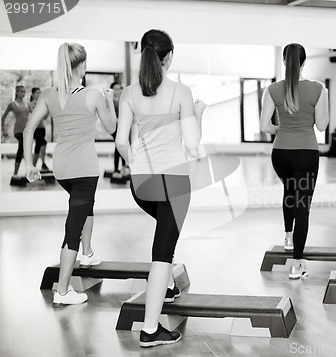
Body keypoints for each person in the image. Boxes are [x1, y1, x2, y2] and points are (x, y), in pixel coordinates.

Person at [115, 29, 204, 348]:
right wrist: (200, 112)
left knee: (165, 239)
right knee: (162, 253)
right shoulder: (181, 92)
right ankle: (150, 329)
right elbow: (193, 145)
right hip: (174, 184)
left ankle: (165, 286)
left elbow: (120, 141)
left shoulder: (128, 93)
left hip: (141, 185)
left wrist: (136, 162)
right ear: (168, 57)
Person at [23, 42, 117, 307]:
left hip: (62, 168)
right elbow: (112, 127)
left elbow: (29, 130)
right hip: (85, 169)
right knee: (73, 226)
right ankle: (63, 291)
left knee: (85, 207)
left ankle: (87, 253)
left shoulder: (49, 95)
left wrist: (31, 165)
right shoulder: (94, 96)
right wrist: (109, 101)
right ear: (83, 66)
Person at [260, 43, 329, 279]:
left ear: (283, 61)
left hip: (281, 154)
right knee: (303, 206)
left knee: (289, 191)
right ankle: (297, 263)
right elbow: (321, 126)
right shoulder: (318, 89)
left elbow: (264, 126)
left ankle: (288, 236)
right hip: (306, 153)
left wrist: (283, 127)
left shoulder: (273, 89)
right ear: (303, 62)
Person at [1, 85, 29, 176]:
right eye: (21, 92)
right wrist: (3, 130)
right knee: (22, 147)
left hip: (27, 131)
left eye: (24, 92)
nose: (23, 94)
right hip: (18, 130)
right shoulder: (13, 104)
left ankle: (22, 172)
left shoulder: (27, 104)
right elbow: (3, 117)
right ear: (17, 92)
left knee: (22, 150)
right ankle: (16, 173)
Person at [109, 82, 128, 178]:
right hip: (114, 127)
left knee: (121, 145)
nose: (118, 90)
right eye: (115, 89)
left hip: (122, 126)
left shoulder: (123, 100)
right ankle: (117, 168)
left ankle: (123, 167)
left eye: (119, 88)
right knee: (119, 145)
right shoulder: (109, 101)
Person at [29, 87, 51, 172]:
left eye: (40, 93)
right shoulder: (31, 104)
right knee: (43, 142)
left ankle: (33, 166)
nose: (39, 94)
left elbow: (45, 117)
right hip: (35, 129)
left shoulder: (43, 103)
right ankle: (43, 163)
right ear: (33, 94)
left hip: (42, 128)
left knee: (38, 147)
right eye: (37, 93)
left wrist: (48, 109)